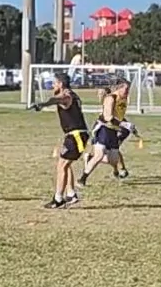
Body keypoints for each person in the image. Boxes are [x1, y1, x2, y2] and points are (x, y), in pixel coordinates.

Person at [31, 72, 88, 209]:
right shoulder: (71, 95)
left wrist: (43, 104)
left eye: (55, 83)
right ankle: (71, 194)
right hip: (74, 135)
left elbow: (57, 100)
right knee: (65, 164)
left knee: (62, 165)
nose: (53, 85)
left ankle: (58, 199)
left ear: (61, 84)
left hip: (76, 136)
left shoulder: (66, 96)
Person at [82, 81, 131, 185]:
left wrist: (126, 125)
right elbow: (108, 117)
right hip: (104, 128)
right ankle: (82, 179)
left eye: (128, 89)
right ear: (119, 88)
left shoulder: (124, 99)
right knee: (99, 155)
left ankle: (90, 158)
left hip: (114, 130)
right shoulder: (111, 98)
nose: (127, 92)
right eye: (126, 89)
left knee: (113, 160)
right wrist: (124, 124)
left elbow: (118, 115)